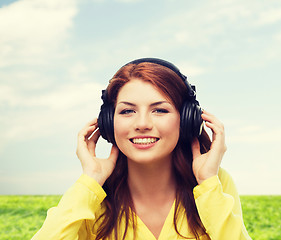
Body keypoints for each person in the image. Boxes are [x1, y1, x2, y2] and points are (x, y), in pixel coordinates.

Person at [32, 58, 252, 240]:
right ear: (108, 122)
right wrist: (90, 182)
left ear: (187, 120)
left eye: (160, 110)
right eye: (128, 111)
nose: (142, 124)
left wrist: (208, 184)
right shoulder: (91, 195)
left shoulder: (215, 183)